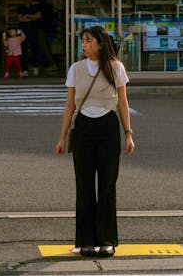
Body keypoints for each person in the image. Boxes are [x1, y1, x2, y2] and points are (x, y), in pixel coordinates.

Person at [55, 25, 135, 258]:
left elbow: (123, 103)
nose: (84, 45)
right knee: (85, 185)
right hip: (83, 128)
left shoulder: (115, 67)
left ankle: (106, 240)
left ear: (100, 44)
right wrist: (62, 137)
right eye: (83, 41)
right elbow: (70, 105)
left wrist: (128, 133)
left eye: (89, 41)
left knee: (108, 185)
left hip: (108, 127)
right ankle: (86, 241)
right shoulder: (75, 69)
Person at [17, 0, 42, 75]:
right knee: (23, 50)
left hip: (34, 31)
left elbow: (38, 15)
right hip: (24, 32)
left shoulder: (36, 7)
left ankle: (35, 67)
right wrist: (32, 17)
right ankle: (24, 69)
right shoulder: (21, 7)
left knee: (35, 49)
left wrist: (27, 16)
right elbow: (20, 18)